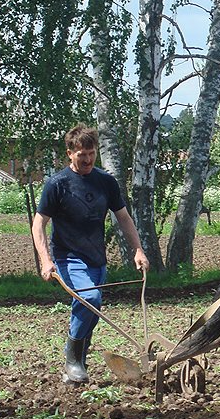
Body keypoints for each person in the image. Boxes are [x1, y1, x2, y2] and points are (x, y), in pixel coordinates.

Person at [32, 124, 149, 384]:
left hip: (96, 259)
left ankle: (77, 365)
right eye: (81, 154)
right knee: (90, 300)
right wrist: (46, 260)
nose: (87, 159)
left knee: (91, 310)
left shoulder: (106, 182)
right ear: (69, 154)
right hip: (67, 257)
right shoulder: (57, 184)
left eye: (91, 153)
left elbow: (124, 218)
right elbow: (38, 223)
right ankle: (72, 360)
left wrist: (138, 250)